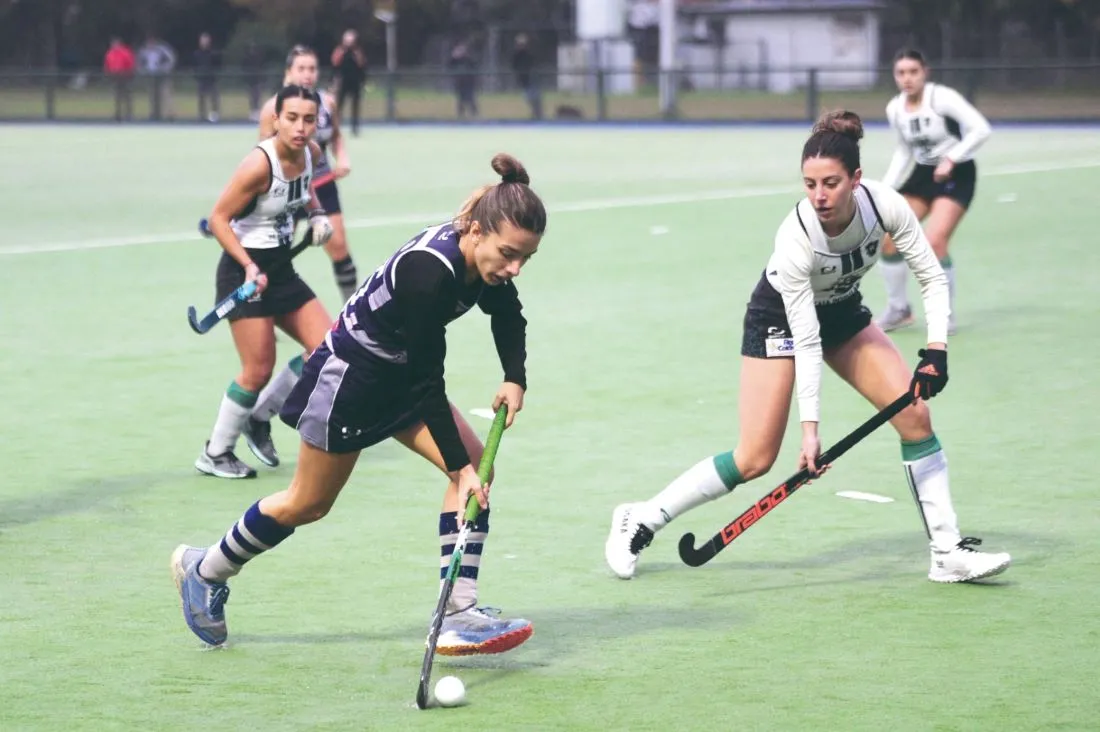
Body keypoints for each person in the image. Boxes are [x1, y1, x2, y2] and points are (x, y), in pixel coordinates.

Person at [605, 111, 1011, 585]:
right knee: (755, 457)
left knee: (915, 417)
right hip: (779, 317)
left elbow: (929, 274)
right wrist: (810, 432)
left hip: (841, 311)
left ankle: (947, 553)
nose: (819, 195)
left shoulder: (884, 206)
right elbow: (807, 339)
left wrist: (936, 349)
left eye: (831, 183)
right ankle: (643, 518)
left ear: (856, 180)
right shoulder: (797, 238)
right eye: (810, 183)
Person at [172, 154, 547, 656]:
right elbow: (425, 382)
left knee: (477, 470)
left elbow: (508, 313)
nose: (514, 267)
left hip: (397, 374)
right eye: (508, 253)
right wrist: (460, 465)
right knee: (308, 503)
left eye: (525, 258)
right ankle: (205, 569)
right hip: (351, 377)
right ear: (477, 231)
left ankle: (458, 613)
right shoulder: (428, 274)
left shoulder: (485, 262)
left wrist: (513, 377)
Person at [194, 84, 335, 480]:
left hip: (282, 268)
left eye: (309, 119)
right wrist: (249, 268)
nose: (301, 127)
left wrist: (319, 214)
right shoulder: (258, 165)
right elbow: (218, 219)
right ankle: (216, 453)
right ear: (276, 120)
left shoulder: (312, 154)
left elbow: (304, 192)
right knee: (257, 369)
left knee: (327, 347)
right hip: (244, 271)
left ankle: (260, 417)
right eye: (292, 118)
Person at [876, 48, 992, 334]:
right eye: (901, 73)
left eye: (913, 72)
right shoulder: (895, 108)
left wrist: (952, 158)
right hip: (923, 174)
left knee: (934, 241)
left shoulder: (942, 98)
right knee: (889, 239)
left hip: (957, 172)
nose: (907, 78)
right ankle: (899, 309)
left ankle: (945, 315)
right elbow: (904, 150)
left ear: (925, 72)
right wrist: (885, 189)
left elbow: (981, 129)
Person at [260, 45, 359, 304]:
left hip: (323, 187)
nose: (307, 74)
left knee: (339, 250)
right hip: (287, 191)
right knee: (276, 257)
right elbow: (263, 156)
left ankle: (355, 314)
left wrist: (343, 157)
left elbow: (335, 136)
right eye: (301, 68)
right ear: (289, 72)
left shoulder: (327, 103)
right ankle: (267, 312)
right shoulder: (273, 109)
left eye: (312, 68)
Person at [330, 30, 367, 136]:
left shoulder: (358, 52)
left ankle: (355, 128)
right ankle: (335, 127)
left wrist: (363, 81)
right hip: (343, 82)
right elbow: (334, 65)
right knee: (339, 106)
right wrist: (333, 81)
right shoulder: (340, 51)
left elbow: (362, 66)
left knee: (355, 106)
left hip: (355, 82)